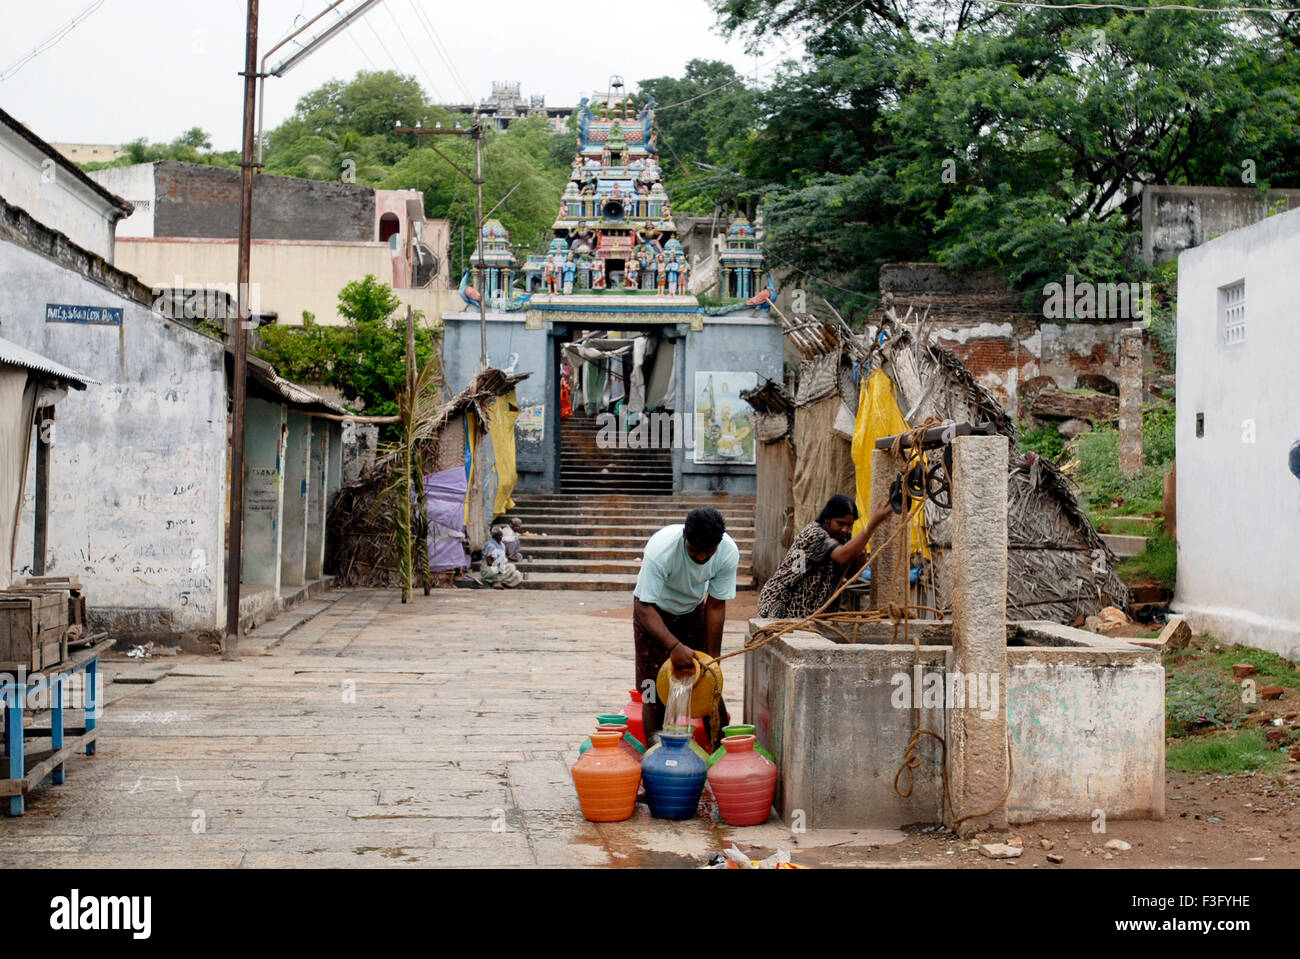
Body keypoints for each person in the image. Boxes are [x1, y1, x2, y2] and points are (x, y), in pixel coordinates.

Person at [632, 507, 738, 746]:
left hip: (692, 610)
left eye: (708, 552)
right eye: (694, 551)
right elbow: (644, 606)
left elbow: (716, 604)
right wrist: (674, 646)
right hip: (653, 612)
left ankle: (723, 752)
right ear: (684, 538)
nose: (701, 558)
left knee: (709, 679)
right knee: (651, 689)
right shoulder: (661, 551)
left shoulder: (728, 552)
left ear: (718, 545)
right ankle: (655, 756)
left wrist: (714, 657)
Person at [757, 495, 895, 620]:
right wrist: (872, 524)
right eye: (840, 523)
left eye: (849, 525)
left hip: (814, 611)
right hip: (784, 604)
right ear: (827, 519)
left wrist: (859, 558)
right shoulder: (814, 534)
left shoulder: (843, 536)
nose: (845, 529)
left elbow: (850, 574)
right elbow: (841, 556)